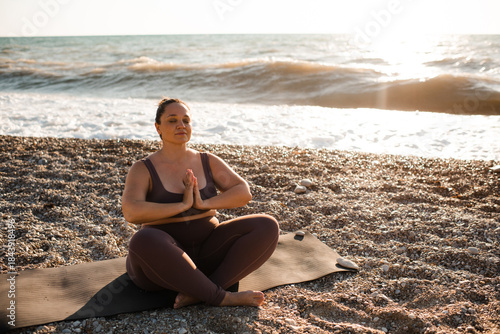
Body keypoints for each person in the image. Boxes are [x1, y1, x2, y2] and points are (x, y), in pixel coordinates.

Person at [122, 98, 280, 309]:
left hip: (207, 255)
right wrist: (181, 206)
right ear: (158, 127)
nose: (181, 125)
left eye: (186, 120)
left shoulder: (206, 161)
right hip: (163, 262)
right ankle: (221, 297)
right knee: (143, 239)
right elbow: (131, 212)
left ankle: (204, 291)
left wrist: (204, 203)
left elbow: (243, 193)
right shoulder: (143, 169)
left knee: (266, 225)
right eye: (172, 120)